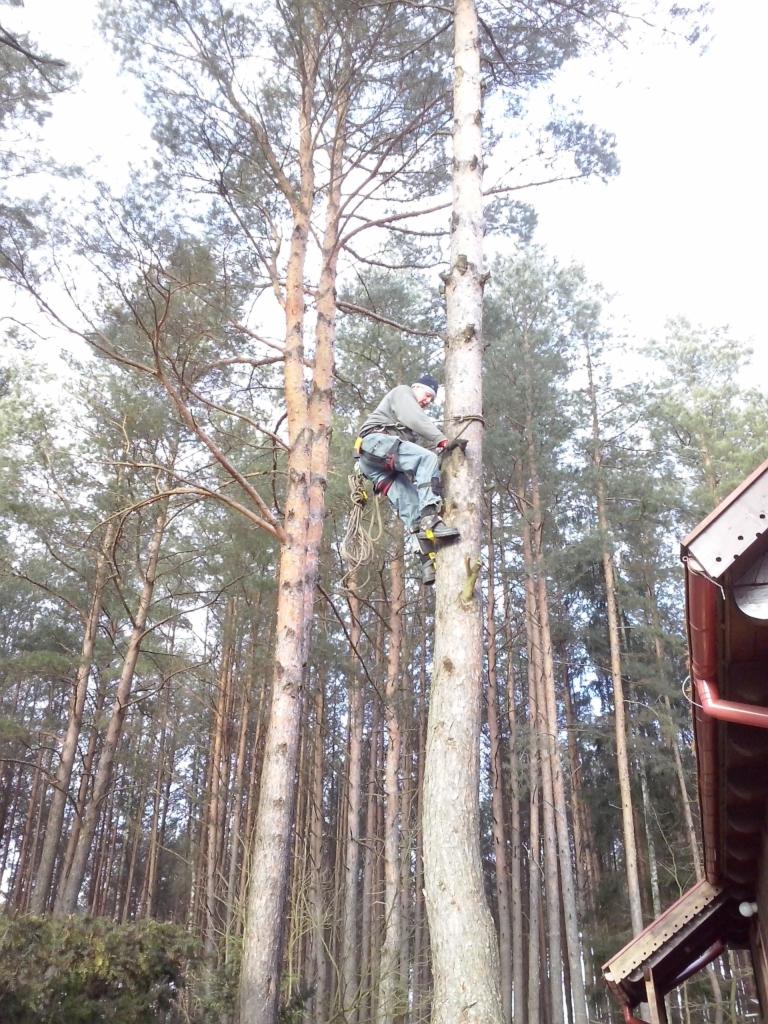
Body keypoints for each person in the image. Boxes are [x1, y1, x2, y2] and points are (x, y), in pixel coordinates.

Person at [355, 373, 460, 584]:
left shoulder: (406, 423)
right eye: (427, 394)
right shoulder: (403, 392)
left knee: (411, 505)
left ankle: (426, 561)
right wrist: (441, 440)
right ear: (416, 387)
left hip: (377, 464)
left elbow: (413, 464)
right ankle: (431, 519)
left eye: (431, 399)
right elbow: (414, 418)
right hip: (376, 444)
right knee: (426, 458)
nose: (427, 401)